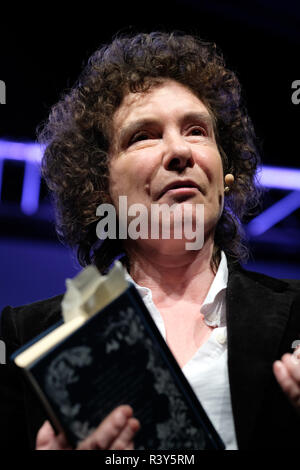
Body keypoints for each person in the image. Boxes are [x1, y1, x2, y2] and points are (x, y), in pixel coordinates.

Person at [0, 31, 300, 451]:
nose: (179, 151)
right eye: (144, 135)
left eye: (197, 130)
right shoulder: (26, 340)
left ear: (225, 174)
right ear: (100, 187)